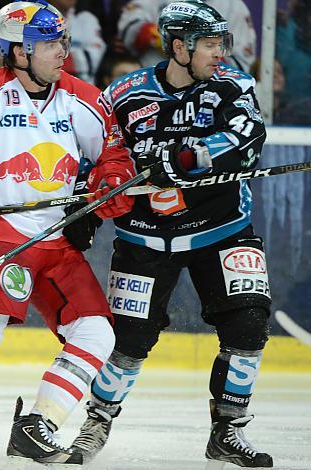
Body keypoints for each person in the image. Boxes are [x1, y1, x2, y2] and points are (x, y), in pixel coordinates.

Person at [67, 1, 274, 468]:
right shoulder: (122, 95)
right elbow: (93, 157)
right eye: (210, 43)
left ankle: (228, 429)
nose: (221, 51)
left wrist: (184, 159)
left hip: (222, 230)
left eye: (223, 42)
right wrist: (86, 203)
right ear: (179, 47)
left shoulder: (234, 85)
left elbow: (248, 136)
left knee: (248, 325)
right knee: (129, 341)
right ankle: (96, 422)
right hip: (144, 238)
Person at [0, 0, 136, 466]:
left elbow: (113, 153)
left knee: (97, 332)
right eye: (49, 42)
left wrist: (110, 182)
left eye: (62, 39)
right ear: (18, 51)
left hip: (58, 237)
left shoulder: (82, 95)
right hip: (0, 232)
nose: (63, 50)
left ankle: (36, 427)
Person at [118, 0, 256, 71]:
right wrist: (161, 39)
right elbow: (130, 29)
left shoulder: (234, 6)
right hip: (153, 86)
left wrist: (196, 53)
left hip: (209, 93)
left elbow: (240, 63)